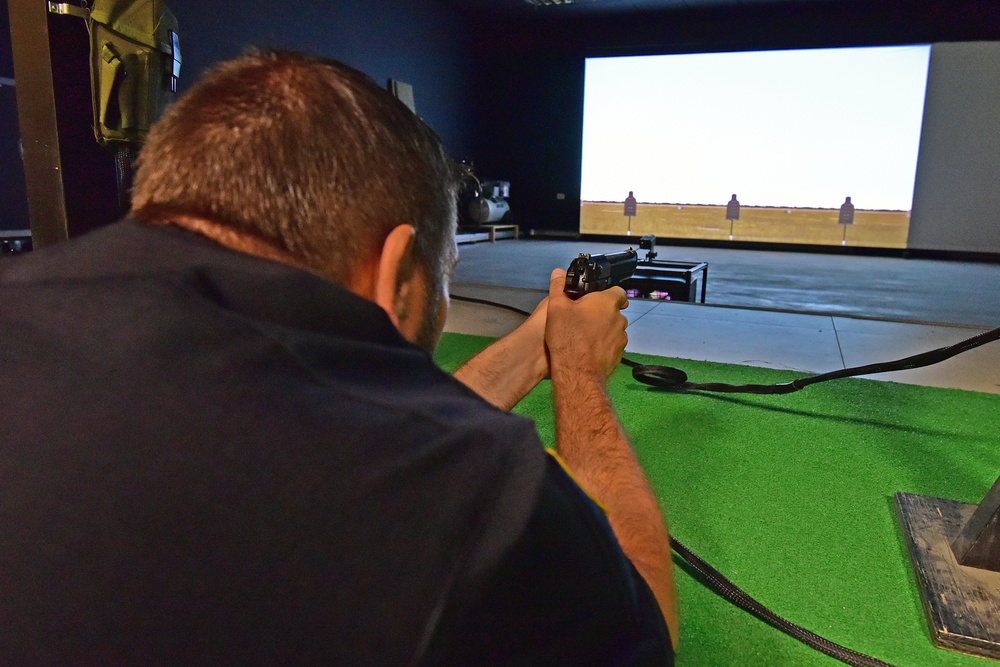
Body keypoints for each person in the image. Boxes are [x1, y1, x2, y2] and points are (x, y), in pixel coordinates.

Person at [0, 51, 678, 664]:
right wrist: (580, 374)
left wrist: (537, 349)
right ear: (400, 275)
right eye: (440, 279)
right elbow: (641, 631)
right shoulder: (481, 492)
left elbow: (350, 416)